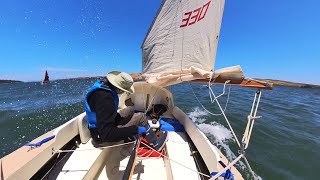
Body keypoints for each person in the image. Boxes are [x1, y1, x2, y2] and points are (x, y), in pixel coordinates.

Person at [84, 71, 149, 145]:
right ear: (120, 88)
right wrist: (135, 129)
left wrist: (122, 121)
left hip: (99, 128)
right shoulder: (105, 99)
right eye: (125, 90)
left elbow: (106, 114)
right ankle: (154, 145)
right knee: (141, 116)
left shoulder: (103, 88)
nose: (125, 92)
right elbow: (107, 134)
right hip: (102, 138)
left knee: (130, 109)